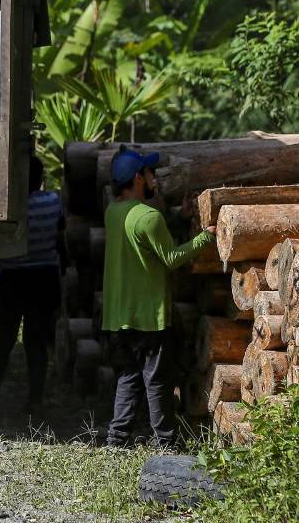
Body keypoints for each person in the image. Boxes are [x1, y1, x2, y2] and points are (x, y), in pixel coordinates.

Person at [102, 148, 215, 448]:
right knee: (156, 380)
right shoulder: (149, 216)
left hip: (119, 314)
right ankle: (166, 441)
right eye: (151, 173)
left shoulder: (113, 212)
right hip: (149, 315)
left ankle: (117, 438)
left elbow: (144, 239)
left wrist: (179, 218)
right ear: (139, 178)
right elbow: (171, 257)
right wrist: (207, 237)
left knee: (130, 376)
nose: (156, 179)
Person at [0, 156, 65, 414]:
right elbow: (61, 238)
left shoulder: (7, 207)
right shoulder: (53, 202)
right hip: (44, 279)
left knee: (3, 340)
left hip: (11, 281)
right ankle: (35, 399)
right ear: (40, 179)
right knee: (36, 342)